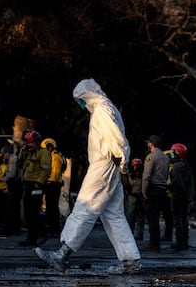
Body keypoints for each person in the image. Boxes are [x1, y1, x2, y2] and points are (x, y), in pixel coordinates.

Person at [34, 78, 141, 275]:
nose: (81, 104)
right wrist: (121, 165)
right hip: (111, 165)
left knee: (85, 206)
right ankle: (130, 260)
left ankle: (62, 254)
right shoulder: (107, 108)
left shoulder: (102, 109)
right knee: (113, 215)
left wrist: (122, 161)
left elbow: (116, 138)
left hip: (104, 165)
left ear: (89, 94)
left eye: (81, 100)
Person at [18, 130, 51, 247]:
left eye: (30, 143)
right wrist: (21, 154)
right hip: (28, 184)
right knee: (27, 212)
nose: (28, 146)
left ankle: (42, 233)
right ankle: (31, 238)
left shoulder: (44, 153)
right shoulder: (29, 153)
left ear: (37, 142)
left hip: (36, 185)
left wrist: (39, 182)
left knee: (33, 211)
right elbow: (20, 165)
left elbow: (46, 168)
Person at [142, 134, 170, 250]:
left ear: (151, 144)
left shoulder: (151, 157)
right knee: (157, 216)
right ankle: (156, 241)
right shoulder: (166, 157)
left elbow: (147, 176)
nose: (148, 144)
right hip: (163, 189)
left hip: (153, 189)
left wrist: (144, 191)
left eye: (149, 142)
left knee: (152, 217)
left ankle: (154, 242)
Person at [167, 143, 194, 251]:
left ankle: (180, 242)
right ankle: (184, 241)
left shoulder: (177, 166)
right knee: (183, 219)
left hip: (178, 195)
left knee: (178, 219)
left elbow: (178, 182)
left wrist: (171, 186)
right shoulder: (185, 164)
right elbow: (191, 182)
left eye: (173, 152)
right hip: (185, 195)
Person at [41, 137, 65, 237]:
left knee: (52, 207)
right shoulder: (52, 156)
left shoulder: (54, 157)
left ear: (49, 147)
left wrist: (48, 181)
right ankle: (52, 228)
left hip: (53, 184)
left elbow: (55, 173)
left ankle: (54, 229)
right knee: (50, 207)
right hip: (52, 184)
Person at [0, 144, 23, 235]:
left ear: (7, 153)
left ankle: (10, 229)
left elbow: (11, 174)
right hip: (15, 186)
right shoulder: (14, 159)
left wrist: (2, 179)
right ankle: (15, 228)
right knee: (15, 207)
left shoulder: (12, 160)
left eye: (4, 154)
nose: (3, 156)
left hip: (14, 186)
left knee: (10, 207)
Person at [125, 158, 145, 241]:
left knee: (141, 217)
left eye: (138, 166)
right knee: (130, 217)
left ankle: (140, 234)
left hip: (141, 198)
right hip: (132, 197)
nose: (136, 168)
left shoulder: (144, 176)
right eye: (134, 166)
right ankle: (130, 234)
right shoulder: (130, 176)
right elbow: (126, 186)